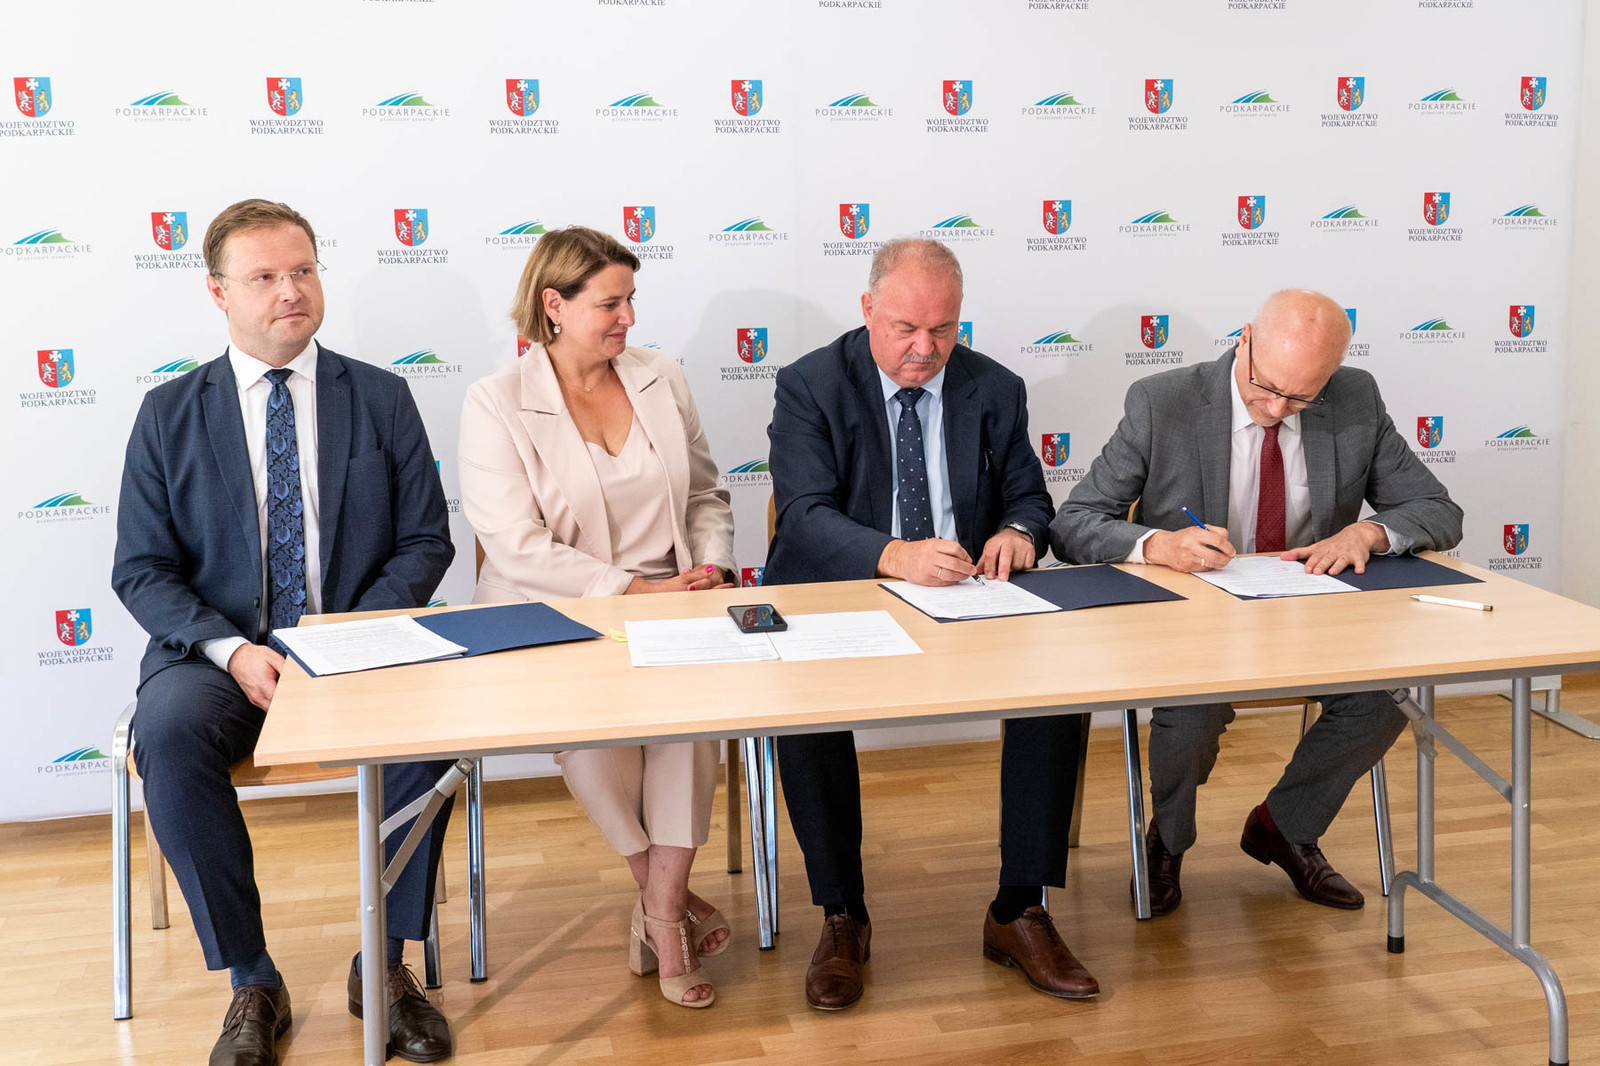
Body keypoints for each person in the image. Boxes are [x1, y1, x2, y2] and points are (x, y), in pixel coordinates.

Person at [111, 199, 458, 1065]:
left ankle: (385, 966)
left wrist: (343, 638)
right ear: (218, 293)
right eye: (264, 276)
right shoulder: (167, 414)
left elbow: (426, 541)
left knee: (429, 725)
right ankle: (253, 980)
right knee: (169, 734)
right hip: (217, 655)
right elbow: (142, 568)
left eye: (302, 270)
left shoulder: (380, 396)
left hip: (356, 646)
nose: (290, 290)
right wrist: (233, 650)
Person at [1052, 288, 1463, 916]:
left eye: (1300, 398)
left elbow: (1438, 510)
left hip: (1311, 617)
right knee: (1190, 717)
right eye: (1266, 386)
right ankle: (1166, 842)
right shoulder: (1163, 402)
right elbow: (1074, 522)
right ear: (1243, 341)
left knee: (1385, 700)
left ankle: (1284, 826)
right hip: (1196, 624)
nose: (1276, 408)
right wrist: (1157, 544)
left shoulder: (1355, 398)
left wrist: (1369, 533)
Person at [764, 238, 1097, 1009]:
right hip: (841, 592)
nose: (925, 348)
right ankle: (843, 915)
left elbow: (1031, 497)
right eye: (906, 328)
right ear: (867, 310)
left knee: (1057, 688)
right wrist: (894, 555)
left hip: (965, 596)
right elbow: (803, 514)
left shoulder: (995, 387)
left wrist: (1017, 531)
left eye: (943, 329)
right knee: (804, 708)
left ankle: (1019, 909)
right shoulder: (811, 384)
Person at [458, 225, 737, 1008]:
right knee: (591, 739)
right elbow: (514, 546)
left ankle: (661, 914)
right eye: (610, 304)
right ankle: (669, 908)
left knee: (691, 722)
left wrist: (710, 565)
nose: (628, 319)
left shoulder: (661, 377)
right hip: (551, 613)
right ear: (554, 305)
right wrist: (630, 593)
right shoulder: (495, 402)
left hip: (672, 603)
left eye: (631, 300)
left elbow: (707, 494)